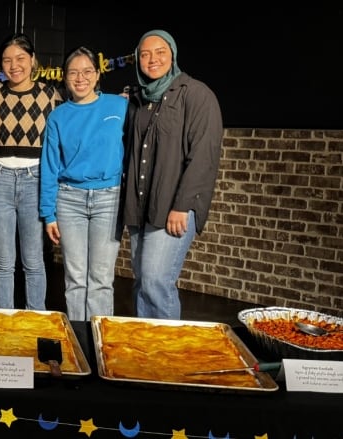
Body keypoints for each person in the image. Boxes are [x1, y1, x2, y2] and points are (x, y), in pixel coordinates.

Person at [122, 29, 223, 319]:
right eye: (144, 54)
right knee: (142, 283)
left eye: (160, 52)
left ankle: (167, 358)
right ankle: (146, 350)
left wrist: (183, 205)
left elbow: (204, 156)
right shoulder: (140, 99)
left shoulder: (196, 94)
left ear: (173, 55)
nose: (152, 59)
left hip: (173, 206)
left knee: (156, 283)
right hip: (142, 207)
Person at [39, 46, 127, 321]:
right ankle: (80, 339)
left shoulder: (119, 106)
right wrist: (48, 213)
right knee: (75, 278)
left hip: (109, 198)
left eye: (87, 71)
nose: (80, 78)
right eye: (73, 72)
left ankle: (101, 342)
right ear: (65, 77)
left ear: (97, 75)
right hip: (69, 200)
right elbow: (50, 165)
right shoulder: (58, 116)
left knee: (101, 278)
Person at [0, 33, 63, 310]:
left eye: (20, 58)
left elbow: (60, 141)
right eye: (7, 60)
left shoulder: (50, 95)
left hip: (35, 180)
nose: (14, 65)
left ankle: (34, 318)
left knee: (33, 260)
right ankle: (4, 320)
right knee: (3, 261)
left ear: (32, 60)